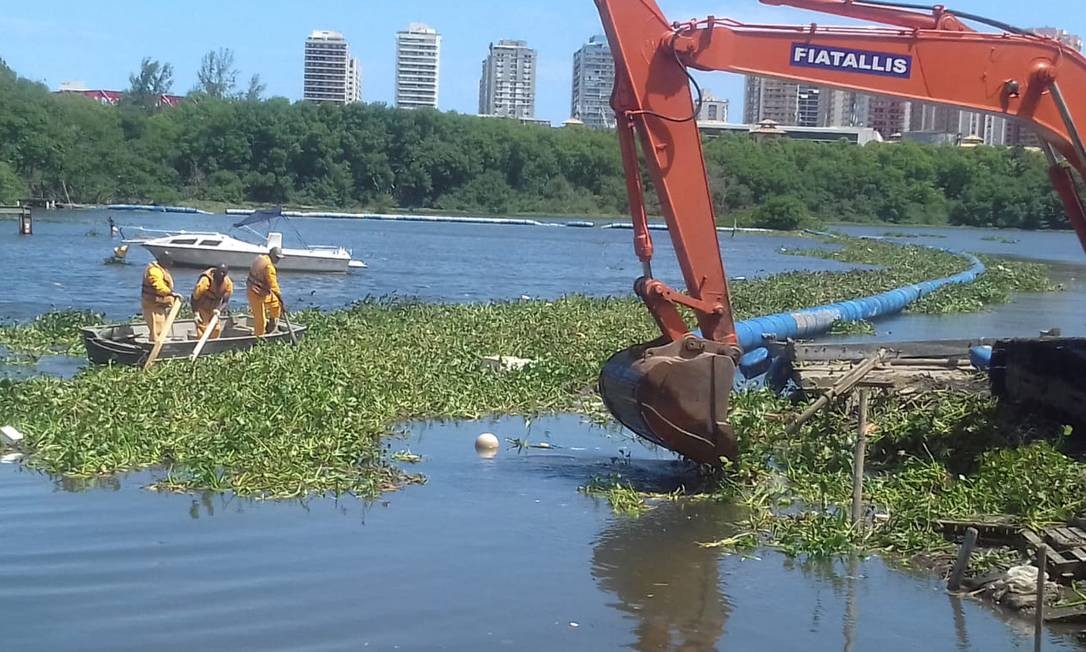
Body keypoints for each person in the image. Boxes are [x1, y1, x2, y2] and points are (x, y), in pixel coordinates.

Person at [141, 251, 182, 342]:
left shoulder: (161, 269)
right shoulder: (154, 271)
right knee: (155, 323)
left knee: (161, 322)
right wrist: (170, 293)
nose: (171, 264)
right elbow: (158, 285)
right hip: (151, 302)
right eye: (169, 261)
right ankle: (155, 342)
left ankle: (159, 339)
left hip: (159, 303)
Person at [247, 246, 285, 337]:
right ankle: (258, 338)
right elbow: (274, 286)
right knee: (260, 320)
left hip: (262, 292)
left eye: (279, 258)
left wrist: (279, 301)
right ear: (271, 255)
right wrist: (282, 300)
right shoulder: (269, 267)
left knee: (276, 305)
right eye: (277, 258)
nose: (278, 260)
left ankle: (271, 326)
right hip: (255, 293)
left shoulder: (261, 258)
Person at [191, 263, 233, 339]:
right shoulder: (205, 281)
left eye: (224, 273)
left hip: (214, 308)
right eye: (220, 272)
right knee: (203, 329)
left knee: (216, 329)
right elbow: (194, 297)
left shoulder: (228, 283)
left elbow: (225, 301)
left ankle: (213, 347)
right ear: (216, 271)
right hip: (202, 307)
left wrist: (219, 310)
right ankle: (202, 347)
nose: (221, 274)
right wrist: (196, 313)